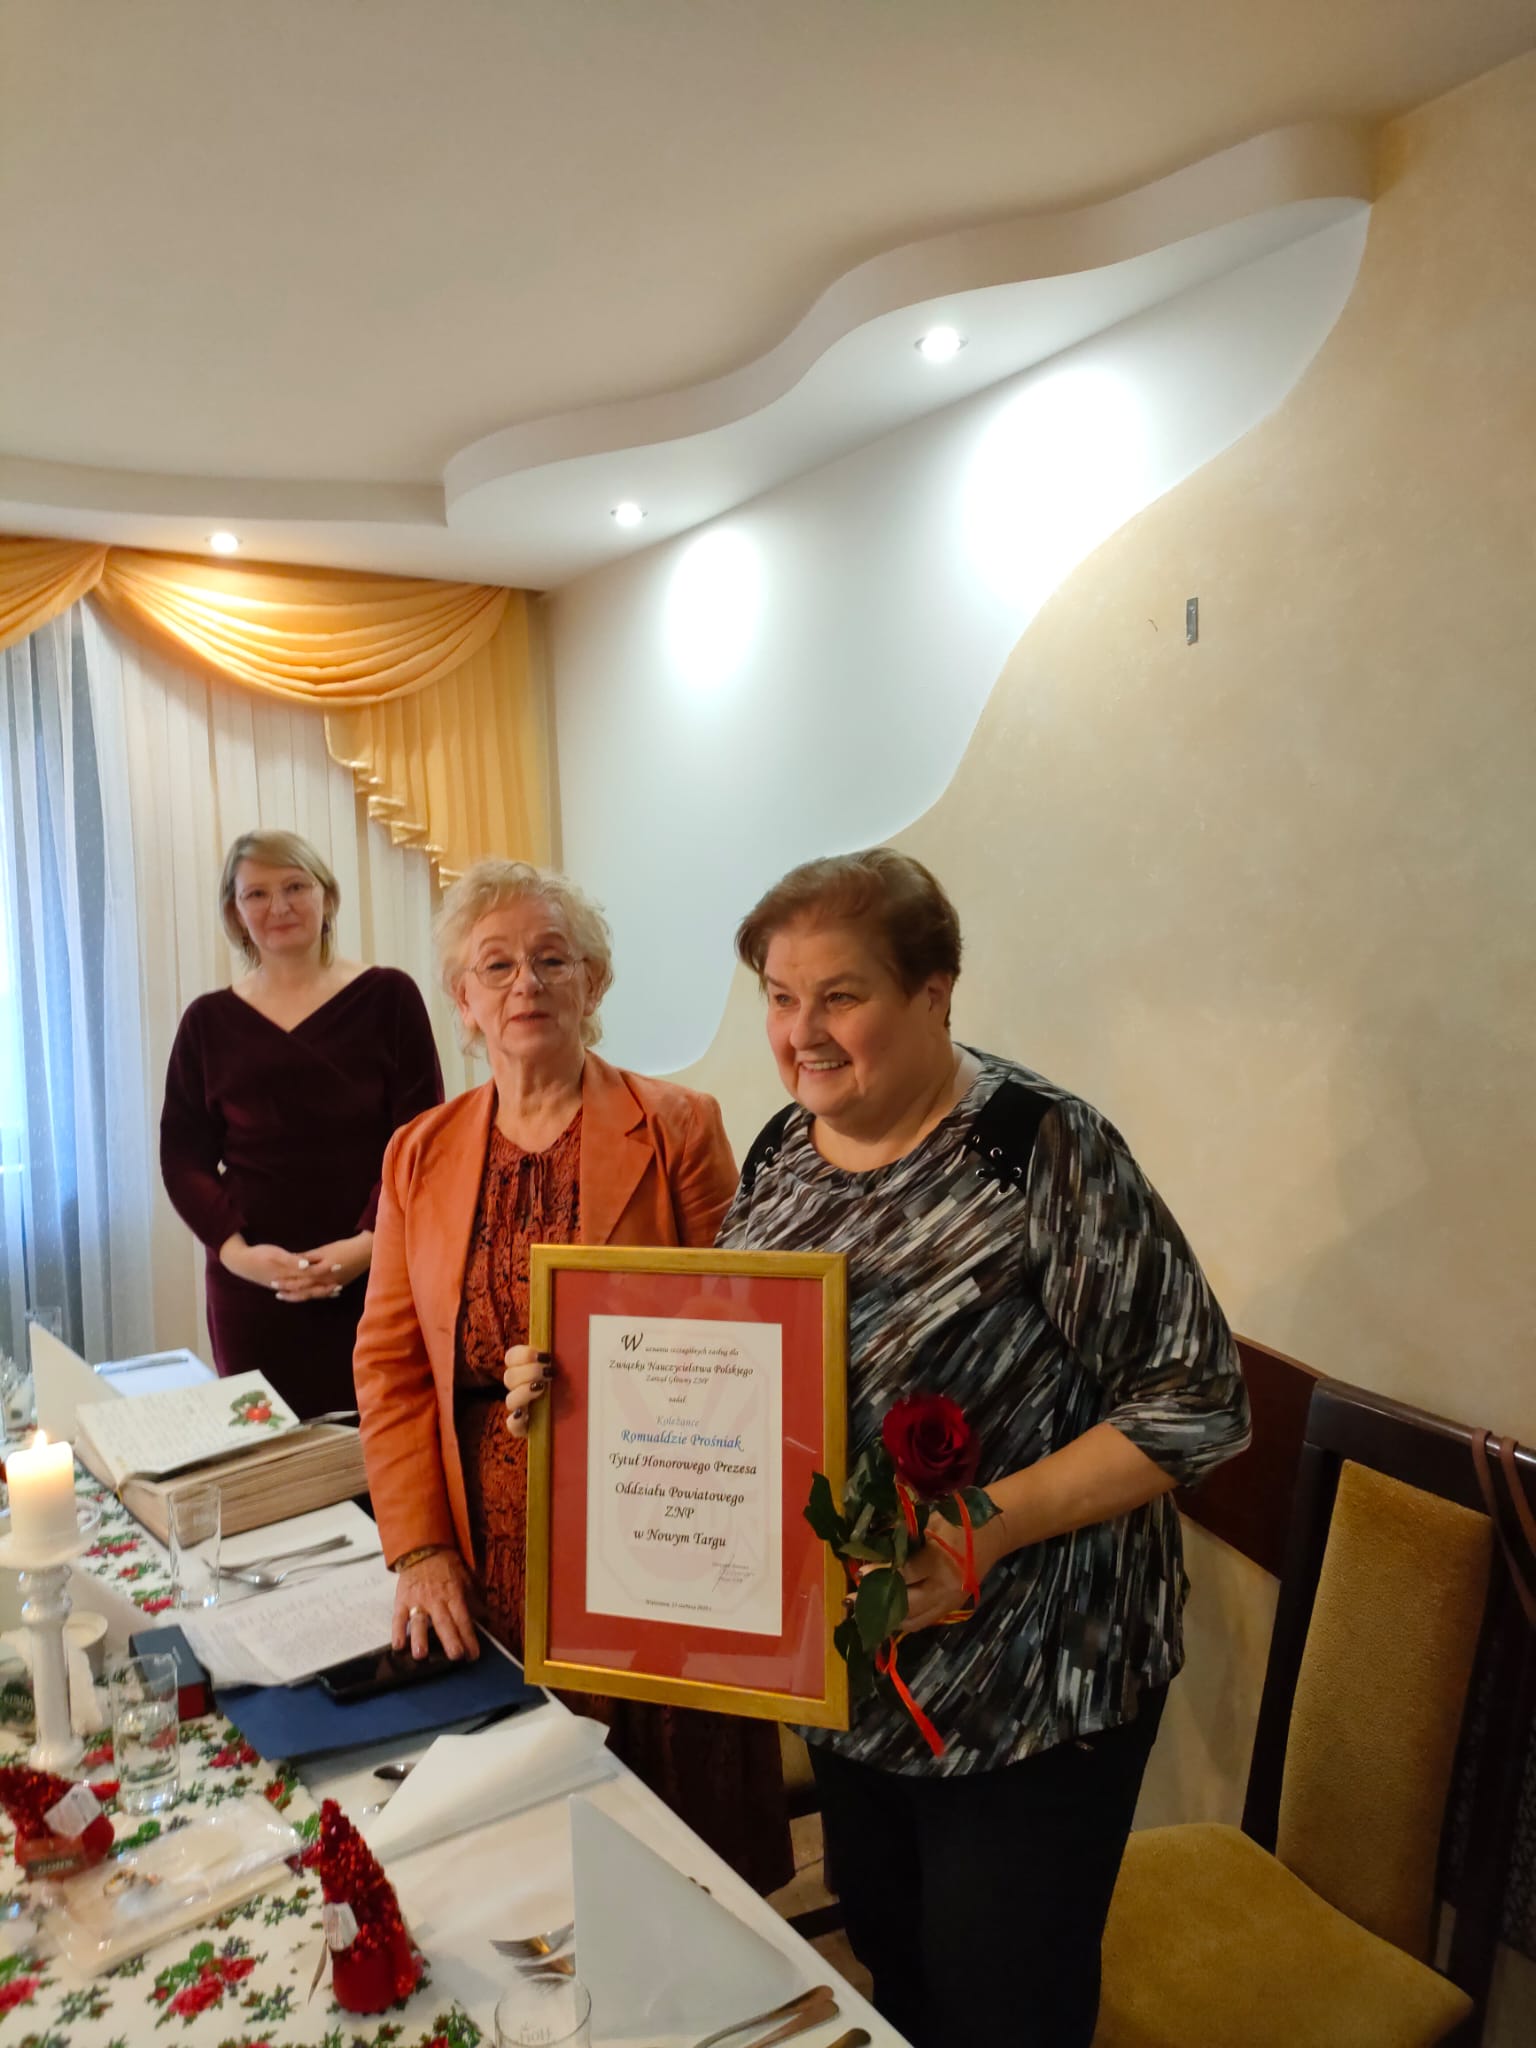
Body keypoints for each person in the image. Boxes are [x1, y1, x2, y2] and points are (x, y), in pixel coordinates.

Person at [685, 847, 1245, 2048]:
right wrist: (580, 1390)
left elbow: (1197, 1399)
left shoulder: (1042, 1149)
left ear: (934, 992)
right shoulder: (782, 1146)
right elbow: (744, 1365)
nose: (802, 1032)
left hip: (1034, 1689)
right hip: (856, 1677)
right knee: (900, 1975)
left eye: (840, 995)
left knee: (1004, 2009)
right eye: (780, 996)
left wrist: (983, 1524)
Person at [353, 858, 792, 1894]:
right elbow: (390, 1363)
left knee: (676, 1852)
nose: (527, 983)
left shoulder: (677, 1124)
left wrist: (598, 1366)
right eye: (496, 965)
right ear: (463, 998)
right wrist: (419, 1547)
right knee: (524, 1844)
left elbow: (742, 1338)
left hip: (656, 1534)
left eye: (553, 959)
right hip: (486, 1556)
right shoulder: (417, 1151)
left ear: (593, 982)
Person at [160, 829, 443, 1418]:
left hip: (377, 1275)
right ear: (235, 914)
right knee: (268, 1455)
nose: (279, 906)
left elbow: (421, 1142)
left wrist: (366, 1247)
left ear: (327, 897)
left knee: (382, 1445)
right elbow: (183, 1158)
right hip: (252, 1292)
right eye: (256, 894)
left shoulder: (389, 997)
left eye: (295, 887)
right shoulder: (206, 1022)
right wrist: (239, 1256)